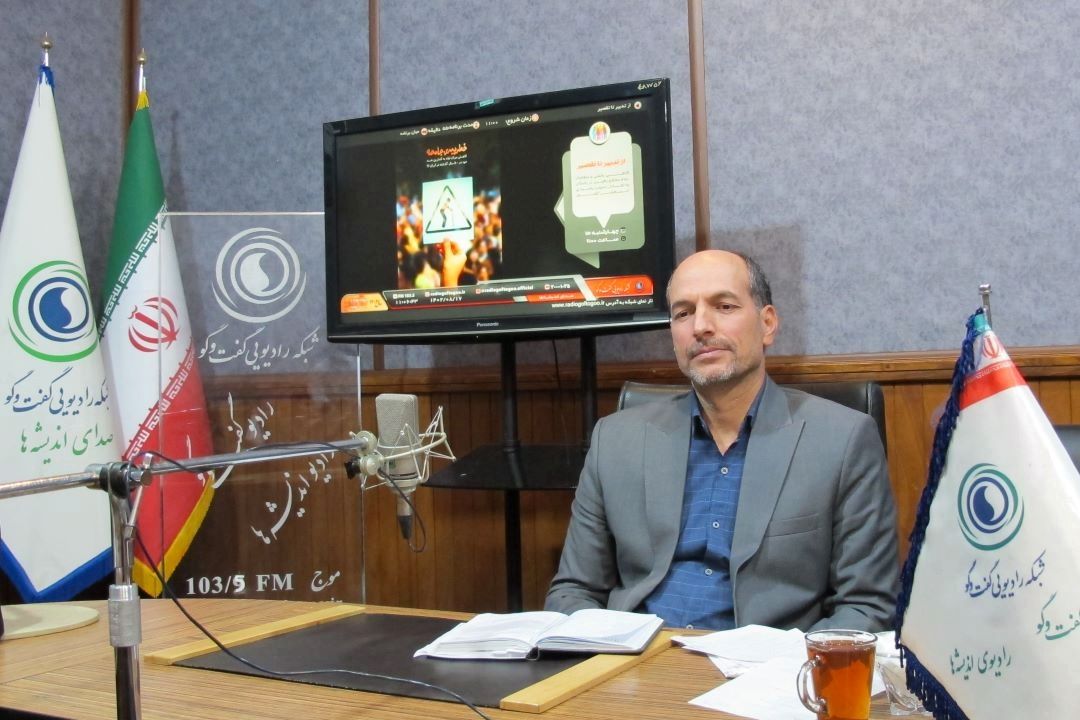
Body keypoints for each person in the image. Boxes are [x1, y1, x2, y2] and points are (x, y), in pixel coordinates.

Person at [545, 249, 899, 632]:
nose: (700, 326)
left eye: (724, 306)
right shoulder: (615, 440)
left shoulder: (842, 440)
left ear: (767, 324)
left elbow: (865, 607)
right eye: (683, 313)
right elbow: (573, 591)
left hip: (769, 663)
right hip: (637, 659)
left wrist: (788, 666)